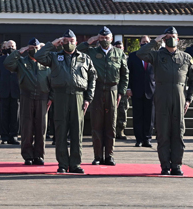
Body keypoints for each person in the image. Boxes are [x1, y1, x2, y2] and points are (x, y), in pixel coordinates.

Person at [136, 27, 193, 176]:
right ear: (164, 39)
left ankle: (176, 165)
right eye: (168, 36)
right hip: (162, 97)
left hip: (179, 98)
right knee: (163, 133)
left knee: (178, 133)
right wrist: (155, 41)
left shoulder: (186, 57)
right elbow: (140, 53)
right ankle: (165, 165)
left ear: (178, 38)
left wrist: (189, 99)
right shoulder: (156, 55)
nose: (171, 38)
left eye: (173, 36)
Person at [35, 30, 97, 174]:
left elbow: (92, 78)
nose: (69, 44)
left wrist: (88, 98)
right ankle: (62, 164)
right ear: (62, 43)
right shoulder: (54, 57)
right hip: (60, 96)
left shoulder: (85, 58)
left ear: (76, 42)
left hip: (78, 96)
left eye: (72, 41)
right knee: (61, 131)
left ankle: (75, 163)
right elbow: (38, 56)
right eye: (66, 41)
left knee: (77, 132)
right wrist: (52, 44)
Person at [78, 27, 128, 166]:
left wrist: (121, 92)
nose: (104, 40)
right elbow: (77, 52)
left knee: (110, 124)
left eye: (107, 38)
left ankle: (109, 156)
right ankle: (98, 156)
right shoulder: (92, 52)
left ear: (111, 39)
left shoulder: (119, 53)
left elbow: (125, 74)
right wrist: (89, 41)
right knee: (97, 124)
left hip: (113, 89)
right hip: (97, 89)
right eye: (101, 38)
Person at [4, 38, 51, 165]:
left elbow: (52, 81)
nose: (34, 51)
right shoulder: (21, 62)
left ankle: (39, 155)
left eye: (36, 48)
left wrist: (51, 97)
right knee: (27, 128)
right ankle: (28, 156)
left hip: (42, 97)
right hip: (27, 97)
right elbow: (7, 63)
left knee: (41, 128)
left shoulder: (46, 63)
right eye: (31, 48)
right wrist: (18, 52)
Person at [127, 35, 155, 147]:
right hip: (136, 90)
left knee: (150, 117)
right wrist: (128, 88)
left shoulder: (154, 56)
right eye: (143, 42)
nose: (145, 43)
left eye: (147, 42)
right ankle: (138, 139)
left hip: (151, 90)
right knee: (137, 116)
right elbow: (128, 73)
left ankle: (147, 139)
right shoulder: (133, 56)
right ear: (140, 43)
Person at [0, 39, 20, 145]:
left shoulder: (20, 59)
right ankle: (4, 137)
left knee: (15, 116)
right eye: (8, 46)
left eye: (12, 46)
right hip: (3, 91)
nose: (10, 48)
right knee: (4, 115)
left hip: (16, 92)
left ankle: (14, 136)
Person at [113, 39, 129, 141]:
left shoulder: (127, 59)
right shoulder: (111, 58)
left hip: (123, 89)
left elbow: (129, 75)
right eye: (117, 47)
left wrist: (128, 88)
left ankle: (121, 131)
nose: (119, 49)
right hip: (112, 88)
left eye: (121, 47)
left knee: (123, 111)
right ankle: (113, 131)